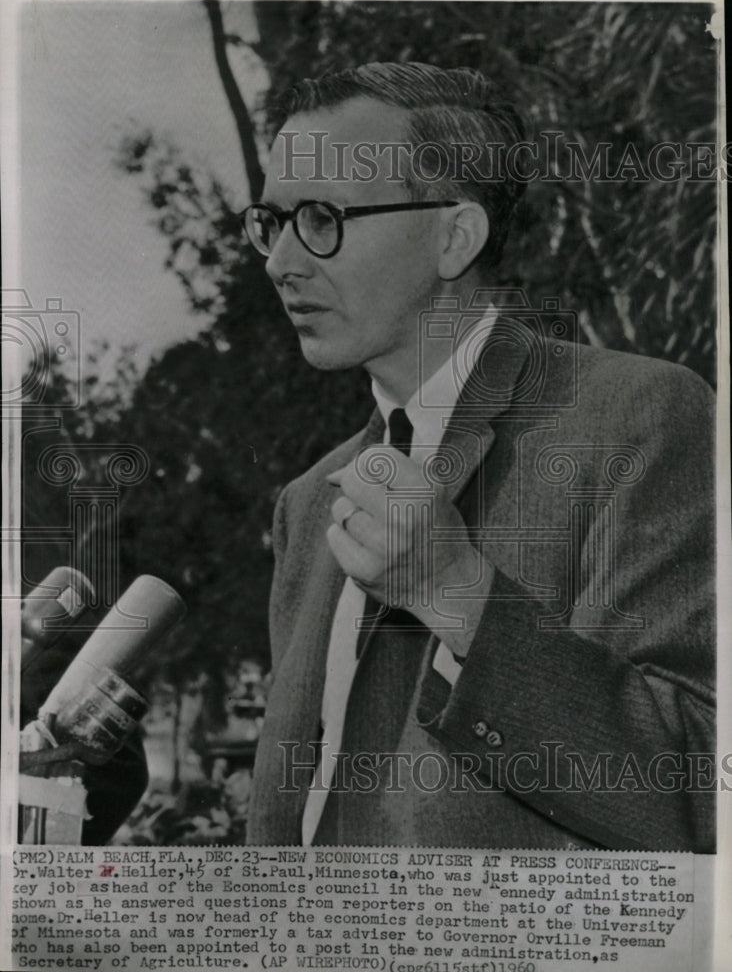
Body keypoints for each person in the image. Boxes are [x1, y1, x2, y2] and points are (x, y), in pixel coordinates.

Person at [245, 62, 715, 850]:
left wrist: (459, 596)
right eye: (272, 221)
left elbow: (701, 785)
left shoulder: (639, 418)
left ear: (454, 236)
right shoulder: (306, 503)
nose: (279, 263)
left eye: (321, 218)